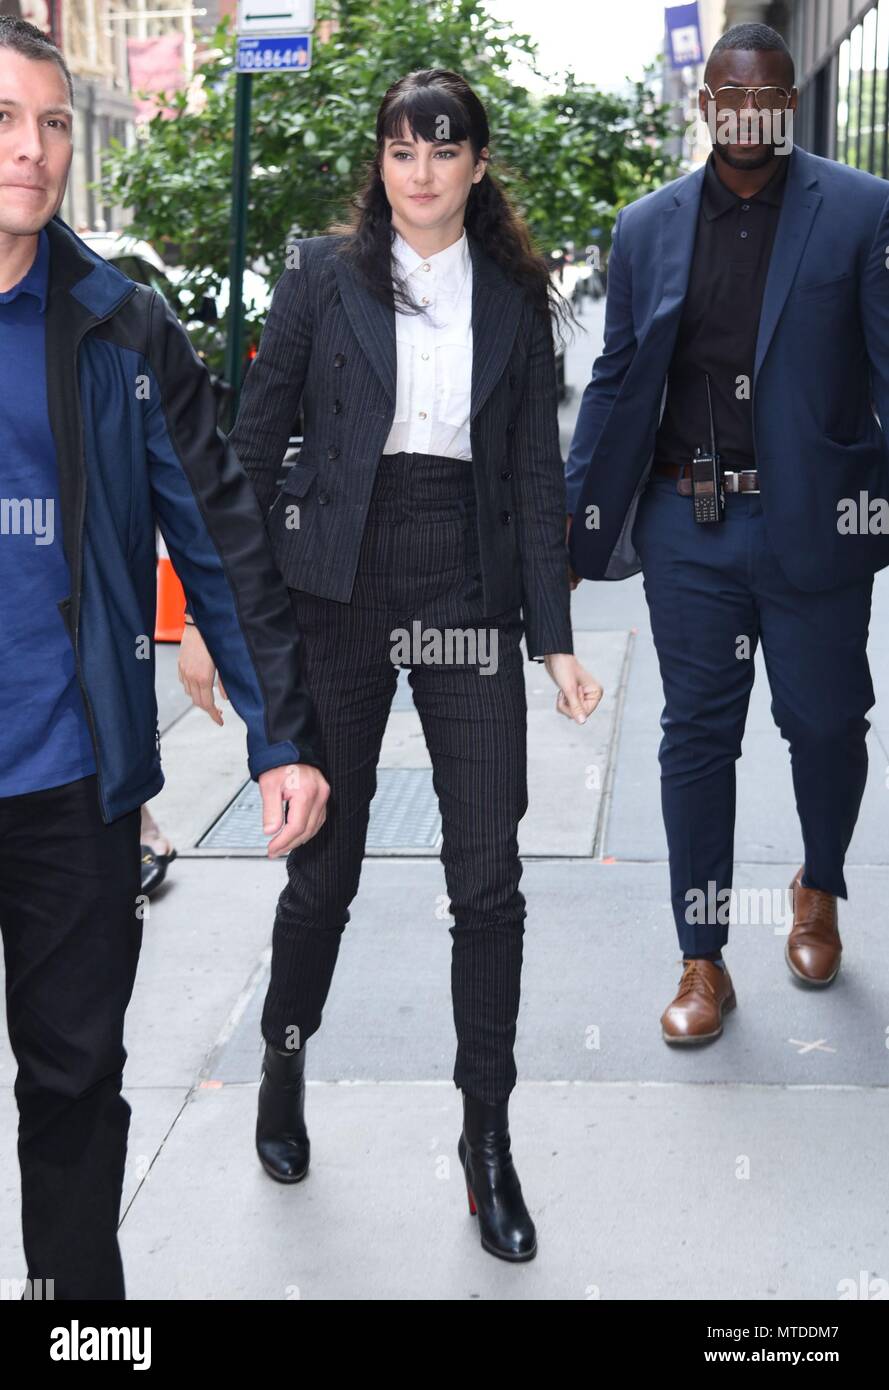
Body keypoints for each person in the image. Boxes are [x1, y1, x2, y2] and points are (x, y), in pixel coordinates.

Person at [185, 67, 603, 1262]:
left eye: (443, 150)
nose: (420, 172)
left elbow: (531, 475)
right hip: (337, 589)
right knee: (326, 874)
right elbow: (251, 450)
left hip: (463, 588)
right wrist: (216, 620)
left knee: (489, 881)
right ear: (381, 164)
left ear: (476, 164)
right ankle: (283, 1059)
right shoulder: (322, 279)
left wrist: (556, 639)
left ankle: (487, 1145)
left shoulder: (517, 297)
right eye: (400, 151)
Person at [0, 17, 329, 1299]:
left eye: (52, 124)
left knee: (73, 1087)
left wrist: (280, 729)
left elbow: (223, 527)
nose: (30, 150)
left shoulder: (119, 329)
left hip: (71, 785)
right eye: (3, 120)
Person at [566, 22, 889, 1044]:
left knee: (827, 724)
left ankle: (818, 883)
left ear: (787, 104)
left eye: (769, 95)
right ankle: (701, 959)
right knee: (694, 738)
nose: (749, 111)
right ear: (705, 104)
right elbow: (613, 382)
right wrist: (571, 534)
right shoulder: (646, 228)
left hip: (817, 527)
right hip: (686, 523)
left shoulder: (857, 211)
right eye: (731, 94)